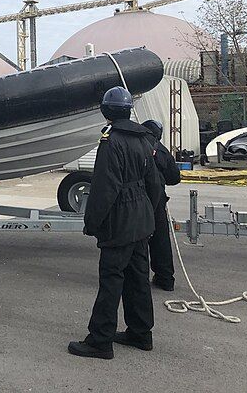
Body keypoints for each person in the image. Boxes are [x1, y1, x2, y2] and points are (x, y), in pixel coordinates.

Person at [68, 86, 163, 360]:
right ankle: (141, 332)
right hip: (142, 220)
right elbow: (154, 183)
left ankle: (100, 340)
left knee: (111, 279)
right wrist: (150, 213)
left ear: (106, 111)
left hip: (120, 221)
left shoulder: (111, 141)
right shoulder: (144, 139)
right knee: (138, 279)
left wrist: (92, 222)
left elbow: (104, 188)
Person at [141, 119, 181, 291]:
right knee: (161, 240)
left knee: (137, 240)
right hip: (157, 200)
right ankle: (165, 279)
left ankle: (139, 278)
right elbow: (174, 178)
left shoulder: (136, 146)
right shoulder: (162, 151)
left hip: (138, 200)